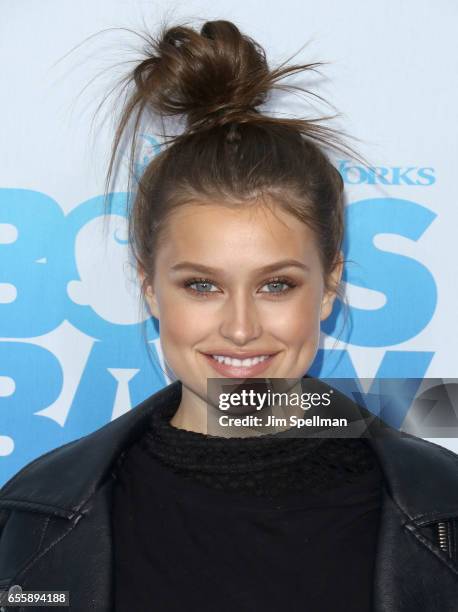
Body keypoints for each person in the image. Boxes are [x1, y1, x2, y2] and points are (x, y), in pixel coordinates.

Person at [0, 18, 458, 612]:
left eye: (275, 284)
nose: (240, 328)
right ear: (148, 286)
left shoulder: (442, 510)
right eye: (201, 285)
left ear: (329, 287)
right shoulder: (32, 518)